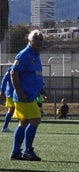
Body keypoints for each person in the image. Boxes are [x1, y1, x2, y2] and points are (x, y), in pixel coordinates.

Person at [9, 29, 44, 161]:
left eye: (41, 39)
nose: (39, 41)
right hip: (24, 96)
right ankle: (27, 151)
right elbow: (14, 73)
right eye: (36, 39)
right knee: (36, 119)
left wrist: (41, 89)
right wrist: (19, 92)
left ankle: (16, 152)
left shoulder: (35, 55)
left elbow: (35, 75)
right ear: (29, 41)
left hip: (30, 96)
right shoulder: (24, 54)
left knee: (23, 123)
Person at [0, 66, 14, 132]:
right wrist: (2, 91)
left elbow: (4, 80)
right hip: (14, 93)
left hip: (10, 93)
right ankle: (5, 127)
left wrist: (2, 91)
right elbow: (4, 80)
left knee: (11, 110)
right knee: (12, 110)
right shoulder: (14, 69)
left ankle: (5, 127)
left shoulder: (10, 69)